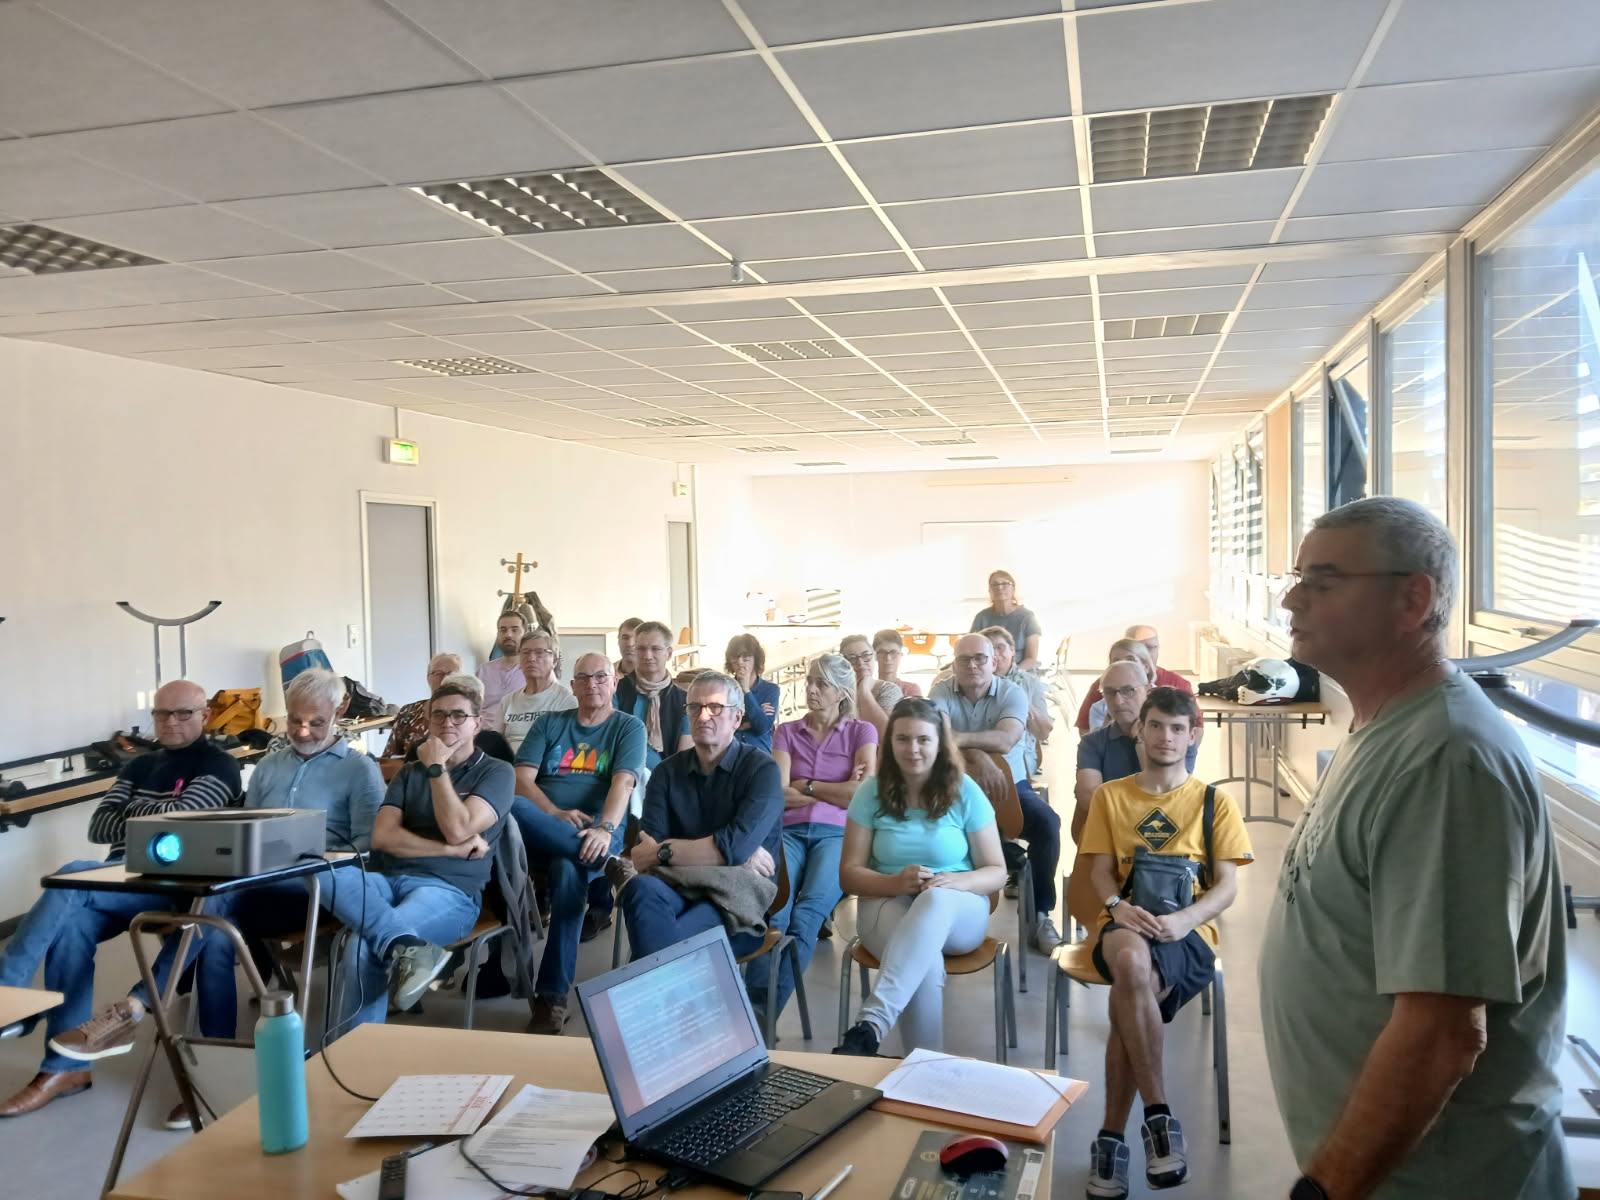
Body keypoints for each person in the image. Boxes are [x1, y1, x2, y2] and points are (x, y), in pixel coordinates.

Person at [1261, 497, 1572, 1200]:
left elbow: (1440, 1035)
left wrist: (1325, 1191)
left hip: (1450, 1180)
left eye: (1323, 581)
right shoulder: (1385, 728)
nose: (1291, 599)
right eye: (1297, 578)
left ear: (1413, 600)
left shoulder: (1445, 759)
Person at [58, 668, 384, 1126]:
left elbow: (369, 850)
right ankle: (217, 1078)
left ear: (339, 711)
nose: (302, 732)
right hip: (252, 888)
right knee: (213, 931)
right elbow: (245, 830)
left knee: (212, 913)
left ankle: (139, 1007)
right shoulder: (270, 765)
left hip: (313, 890)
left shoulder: (359, 770)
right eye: (294, 721)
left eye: (315, 723)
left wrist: (308, 853)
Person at [0, 680, 242, 1117]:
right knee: (72, 923)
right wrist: (152, 818)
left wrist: (133, 812)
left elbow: (183, 819)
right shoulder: (140, 765)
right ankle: (65, 1068)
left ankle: (9, 988)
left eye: (183, 713)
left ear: (205, 715)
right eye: (161, 713)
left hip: (180, 884)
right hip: (122, 880)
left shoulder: (219, 764)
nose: (170, 722)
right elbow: (98, 827)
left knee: (72, 874)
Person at [1080, 686, 1253, 1199]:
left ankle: (1111, 1139)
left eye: (1178, 728)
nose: (1165, 737)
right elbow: (1099, 872)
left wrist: (1184, 921)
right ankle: (1159, 1118)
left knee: (1129, 1001)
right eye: (1155, 725)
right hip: (1125, 923)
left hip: (1187, 932)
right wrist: (1117, 907)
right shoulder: (1111, 797)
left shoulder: (1215, 802)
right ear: (1140, 729)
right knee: (1132, 967)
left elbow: (1227, 886)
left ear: (1193, 735)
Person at [322, 678, 514, 1033]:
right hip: (387, 880)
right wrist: (448, 850)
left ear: (477, 723)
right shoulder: (409, 773)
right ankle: (407, 945)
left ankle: (351, 1055)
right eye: (438, 715)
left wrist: (437, 768)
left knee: (361, 947)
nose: (447, 723)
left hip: (449, 891)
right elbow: (383, 837)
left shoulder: (497, 772)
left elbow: (459, 828)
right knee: (320, 869)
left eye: (458, 715)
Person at [834, 698, 1006, 1057]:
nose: (913, 749)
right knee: (924, 962)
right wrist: (895, 883)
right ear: (890, 743)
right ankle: (923, 1070)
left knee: (935, 898)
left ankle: (872, 1021)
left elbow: (997, 871)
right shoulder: (870, 792)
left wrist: (955, 882)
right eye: (903, 739)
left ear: (940, 744)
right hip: (886, 903)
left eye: (923, 739)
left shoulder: (965, 790)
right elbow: (849, 876)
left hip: (958, 909)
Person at [512, 653, 644, 1034]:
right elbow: (521, 779)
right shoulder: (550, 723)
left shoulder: (627, 727)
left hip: (598, 831)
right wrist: (553, 812)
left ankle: (551, 998)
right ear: (572, 687)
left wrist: (604, 829)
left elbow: (623, 782)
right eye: (583, 678)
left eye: (600, 677)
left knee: (568, 870)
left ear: (614, 682)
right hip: (544, 827)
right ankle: (609, 866)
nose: (592, 684)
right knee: (511, 803)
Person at [610, 672, 783, 961]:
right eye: (694, 707)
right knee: (640, 887)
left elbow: (732, 848)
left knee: (663, 943)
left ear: (737, 717)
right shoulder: (666, 772)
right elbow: (642, 856)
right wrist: (730, 855)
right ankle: (665, 985)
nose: (703, 716)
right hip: (676, 888)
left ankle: (652, 983)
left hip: (734, 901)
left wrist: (665, 851)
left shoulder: (761, 770)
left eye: (715, 707)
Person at [745, 654, 877, 1017]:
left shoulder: (862, 731)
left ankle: (764, 1014)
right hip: (789, 831)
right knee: (774, 911)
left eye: (821, 683)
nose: (811, 689)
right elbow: (779, 793)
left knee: (807, 917)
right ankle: (751, 1007)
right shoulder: (787, 732)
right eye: (810, 681)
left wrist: (808, 785)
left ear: (842, 692)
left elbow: (861, 794)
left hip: (838, 835)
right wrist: (837, 788)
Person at [930, 634, 1062, 953]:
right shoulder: (941, 690)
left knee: (1048, 823)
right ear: (954, 664)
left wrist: (960, 741)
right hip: (954, 786)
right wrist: (979, 756)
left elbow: (1005, 740)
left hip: (1009, 785)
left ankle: (1040, 913)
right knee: (932, 829)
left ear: (993, 662)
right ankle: (945, 906)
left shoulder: (1012, 692)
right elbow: (936, 738)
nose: (973, 665)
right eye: (964, 659)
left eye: (980, 658)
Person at [1073, 660, 1198, 844]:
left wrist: (1140, 743)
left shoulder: (1174, 740)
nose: (1118, 701)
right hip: (1110, 836)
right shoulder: (1092, 743)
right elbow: (1089, 799)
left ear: (1147, 690)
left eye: (1128, 690)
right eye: (1109, 692)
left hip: (1166, 835)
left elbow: (1171, 796)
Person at [1076, 631, 1192, 735]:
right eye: (1116, 662)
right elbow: (1092, 744)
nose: (1123, 666)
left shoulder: (1168, 700)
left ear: (1146, 666)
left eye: (1130, 660)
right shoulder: (1100, 708)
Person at [615, 620, 691, 770]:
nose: (647, 656)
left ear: (669, 653)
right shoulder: (616, 691)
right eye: (641, 649)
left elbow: (684, 758)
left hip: (669, 777)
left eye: (655, 649)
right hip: (622, 772)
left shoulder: (685, 700)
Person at [982, 625, 1053, 780]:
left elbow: (1044, 733)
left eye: (1000, 648)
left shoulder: (1030, 682)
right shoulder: (976, 682)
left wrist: (1022, 704)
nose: (995, 654)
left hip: (1021, 756)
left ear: (1012, 650)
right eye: (989, 650)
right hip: (982, 752)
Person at [500, 630, 574, 755]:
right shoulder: (508, 700)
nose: (531, 658)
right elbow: (494, 743)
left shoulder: (566, 700)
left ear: (554, 661)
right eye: (525, 652)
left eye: (539, 653)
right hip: (508, 762)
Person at [382, 652, 462, 761]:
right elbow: (389, 757)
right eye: (438, 673)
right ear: (428, 678)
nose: (444, 678)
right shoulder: (409, 711)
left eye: (451, 674)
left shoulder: (467, 715)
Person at [969, 570, 1041, 672]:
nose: (999, 587)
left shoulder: (1028, 617)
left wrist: (1012, 674)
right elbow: (971, 650)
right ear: (990, 591)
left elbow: (1031, 658)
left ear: (1013, 589)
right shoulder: (981, 617)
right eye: (995, 584)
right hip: (987, 673)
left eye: (1005, 583)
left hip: (1020, 672)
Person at [840, 633, 903, 738]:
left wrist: (864, 691)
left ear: (874, 657)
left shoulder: (889, 690)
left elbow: (886, 735)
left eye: (866, 656)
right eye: (852, 658)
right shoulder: (838, 693)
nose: (860, 662)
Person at [725, 633, 780, 754]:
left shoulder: (771, 690)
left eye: (745, 657)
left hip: (759, 752)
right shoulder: (725, 688)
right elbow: (722, 726)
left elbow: (762, 727)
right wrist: (754, 718)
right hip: (730, 752)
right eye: (735, 657)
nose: (740, 662)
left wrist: (746, 690)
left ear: (756, 658)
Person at [476, 612, 528, 733]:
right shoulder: (483, 670)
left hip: (519, 736)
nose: (508, 635)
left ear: (525, 634)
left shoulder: (534, 671)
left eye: (514, 630)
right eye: (503, 630)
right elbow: (472, 708)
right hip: (484, 736)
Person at [872, 629, 924, 699]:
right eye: (882, 652)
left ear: (900, 655)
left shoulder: (911, 689)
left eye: (893, 652)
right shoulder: (868, 688)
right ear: (875, 656)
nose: (888, 658)